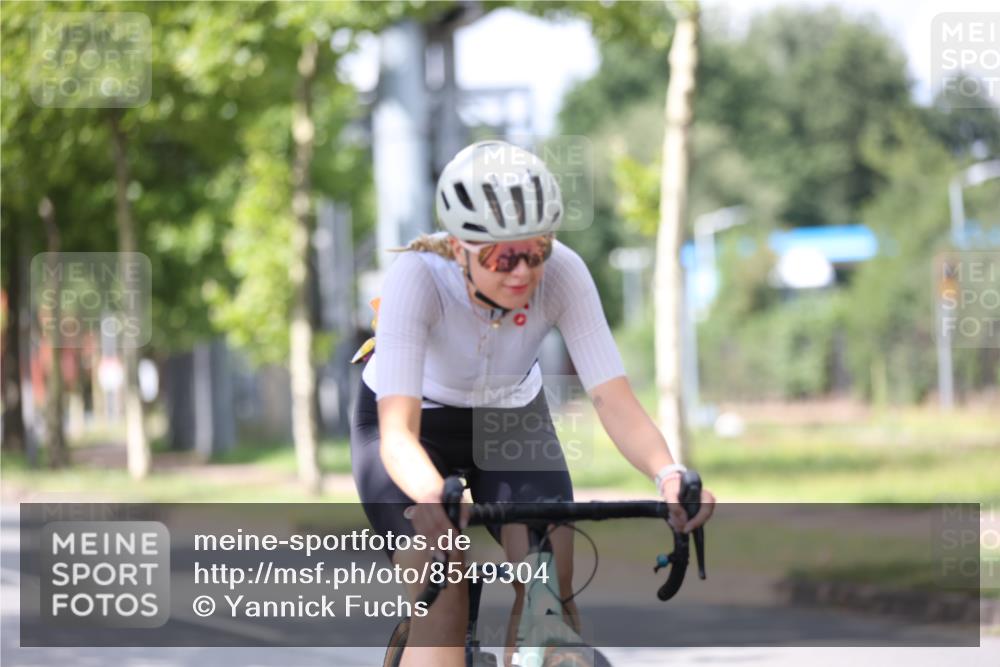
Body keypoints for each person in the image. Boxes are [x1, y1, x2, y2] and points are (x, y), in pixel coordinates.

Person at [350, 140, 716, 667]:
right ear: (459, 248)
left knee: (550, 588)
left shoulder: (565, 274)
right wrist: (435, 498)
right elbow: (398, 435)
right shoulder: (418, 277)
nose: (522, 272)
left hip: (510, 418)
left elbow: (612, 399)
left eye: (536, 250)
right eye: (502, 256)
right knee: (444, 583)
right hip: (414, 427)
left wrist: (669, 474)